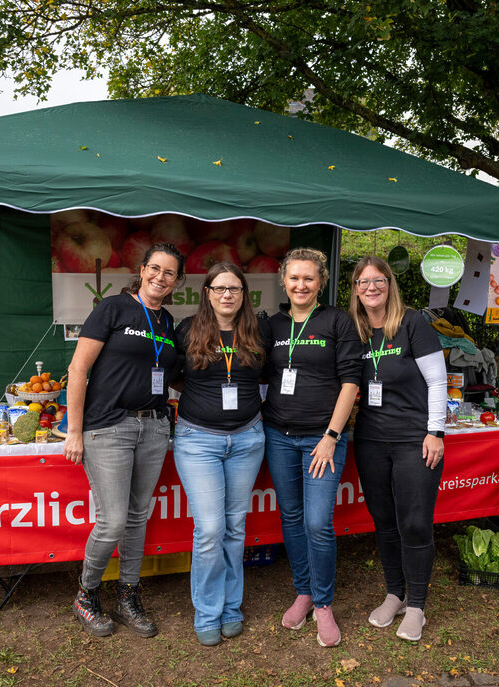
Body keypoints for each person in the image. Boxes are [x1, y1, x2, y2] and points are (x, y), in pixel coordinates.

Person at [63, 243, 184, 638]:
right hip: (108, 428)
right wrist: (75, 430)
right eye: (155, 268)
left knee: (136, 518)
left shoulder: (168, 323)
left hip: (153, 427)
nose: (160, 277)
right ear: (142, 269)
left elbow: (173, 378)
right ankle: (86, 594)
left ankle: (129, 596)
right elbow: (78, 368)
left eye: (169, 273)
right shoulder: (113, 309)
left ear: (176, 282)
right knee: (112, 520)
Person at [263, 247, 362, 647]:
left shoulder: (337, 321)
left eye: (308, 278)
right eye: (293, 278)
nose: (300, 285)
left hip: (322, 440)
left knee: (318, 522)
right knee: (291, 517)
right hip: (277, 436)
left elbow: (351, 383)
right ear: (283, 282)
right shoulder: (271, 325)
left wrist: (331, 437)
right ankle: (303, 591)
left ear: (320, 282)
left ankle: (323, 603)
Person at [348, 256, 447, 642]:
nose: (371, 287)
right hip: (371, 440)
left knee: (415, 522)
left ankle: (417, 605)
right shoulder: (354, 331)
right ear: (355, 289)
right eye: (363, 281)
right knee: (385, 521)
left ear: (390, 284)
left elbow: (437, 382)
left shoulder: (412, 324)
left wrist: (435, 431)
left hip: (414, 439)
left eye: (378, 280)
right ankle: (395, 593)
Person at [173, 263, 269, 646]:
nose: (227, 294)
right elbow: (175, 375)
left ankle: (231, 608)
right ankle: (208, 611)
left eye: (234, 288)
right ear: (207, 293)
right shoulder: (187, 330)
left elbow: (264, 376)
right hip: (198, 440)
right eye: (219, 288)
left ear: (244, 294)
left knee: (234, 528)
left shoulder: (256, 332)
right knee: (210, 529)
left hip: (247, 439)